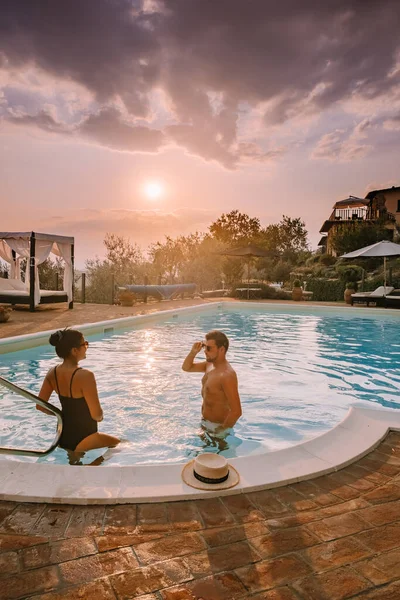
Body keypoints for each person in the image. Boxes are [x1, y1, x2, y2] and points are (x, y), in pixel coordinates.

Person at [37, 328, 120, 459]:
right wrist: (101, 417)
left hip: (62, 435)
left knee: (74, 464)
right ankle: (95, 466)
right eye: (84, 344)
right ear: (74, 351)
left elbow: (40, 406)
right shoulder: (85, 376)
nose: (87, 347)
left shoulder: (52, 373)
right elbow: (96, 414)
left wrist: (61, 415)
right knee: (123, 446)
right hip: (86, 436)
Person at [182, 330, 242, 434]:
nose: (205, 351)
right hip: (205, 423)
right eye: (204, 346)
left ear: (221, 349)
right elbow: (187, 368)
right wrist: (193, 353)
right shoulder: (209, 365)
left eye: (209, 348)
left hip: (217, 427)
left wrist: (222, 431)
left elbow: (236, 411)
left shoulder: (227, 375)